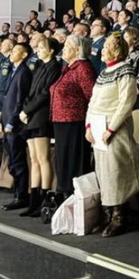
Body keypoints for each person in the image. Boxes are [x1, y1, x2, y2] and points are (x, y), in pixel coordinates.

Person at [85, 34, 139, 238]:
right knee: (103, 172)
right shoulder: (103, 73)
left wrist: (111, 129)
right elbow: (93, 102)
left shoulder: (125, 71)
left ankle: (119, 217)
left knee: (115, 172)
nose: (102, 50)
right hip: (97, 128)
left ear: (117, 50)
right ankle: (108, 213)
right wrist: (88, 126)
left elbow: (126, 103)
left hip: (115, 129)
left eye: (107, 46)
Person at [49, 35, 96, 199]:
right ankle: (64, 196)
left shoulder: (83, 67)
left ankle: (76, 199)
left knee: (73, 162)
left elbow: (92, 96)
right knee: (63, 162)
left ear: (77, 50)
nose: (64, 48)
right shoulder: (69, 68)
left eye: (67, 45)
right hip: (61, 121)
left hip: (75, 122)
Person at [19, 37, 61, 217]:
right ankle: (33, 200)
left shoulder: (54, 67)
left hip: (41, 116)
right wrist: (25, 109)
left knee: (43, 158)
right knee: (34, 159)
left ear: (51, 50)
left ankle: (45, 198)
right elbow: (31, 91)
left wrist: (27, 110)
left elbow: (45, 94)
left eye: (42, 47)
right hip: (31, 115)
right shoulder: (39, 66)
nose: (38, 50)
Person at [0, 44, 33, 211]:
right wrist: (2, 120)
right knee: (12, 161)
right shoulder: (14, 71)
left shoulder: (24, 72)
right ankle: (17, 193)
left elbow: (20, 101)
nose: (11, 54)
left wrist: (12, 122)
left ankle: (21, 196)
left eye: (15, 51)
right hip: (6, 121)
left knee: (18, 161)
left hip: (15, 125)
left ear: (24, 55)